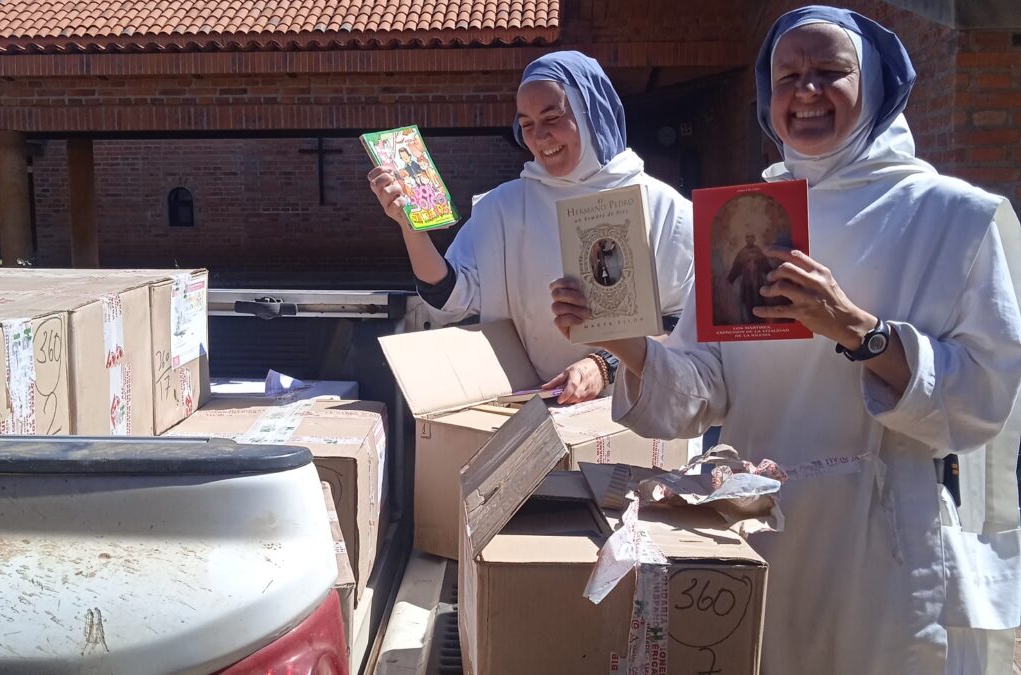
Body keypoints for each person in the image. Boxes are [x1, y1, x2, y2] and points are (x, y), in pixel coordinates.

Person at [551, 7, 1021, 674]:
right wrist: (627, 342)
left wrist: (859, 330)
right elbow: (705, 388)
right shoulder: (746, 217)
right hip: (760, 524)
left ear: (879, 86)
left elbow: (984, 397)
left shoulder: (949, 217)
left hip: (881, 544)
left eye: (830, 72)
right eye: (788, 76)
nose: (806, 90)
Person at [369, 51, 694, 404]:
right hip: (527, 408)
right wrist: (410, 227)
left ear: (591, 113)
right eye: (526, 124)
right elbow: (450, 299)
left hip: (636, 414)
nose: (540, 136)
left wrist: (604, 365)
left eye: (552, 117)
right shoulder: (503, 208)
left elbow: (684, 328)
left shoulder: (664, 209)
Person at [725, 233, 772, 323]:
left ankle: (760, 322)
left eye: (751, 237)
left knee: (760, 301)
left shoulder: (758, 251)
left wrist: (773, 275)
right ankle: (749, 322)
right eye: (747, 237)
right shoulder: (742, 252)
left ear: (754, 238)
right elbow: (736, 267)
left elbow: (766, 266)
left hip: (758, 282)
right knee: (747, 302)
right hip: (747, 283)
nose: (749, 239)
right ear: (746, 239)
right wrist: (730, 279)